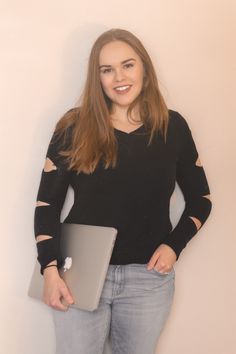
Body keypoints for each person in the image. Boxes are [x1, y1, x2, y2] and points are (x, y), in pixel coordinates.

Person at [34, 28, 212, 354]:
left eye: (128, 65)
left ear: (144, 67)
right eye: (107, 69)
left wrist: (175, 245)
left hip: (147, 280)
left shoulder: (173, 127)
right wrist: (49, 270)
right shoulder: (73, 127)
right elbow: (47, 204)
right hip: (78, 275)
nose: (119, 77)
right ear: (97, 77)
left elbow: (201, 199)